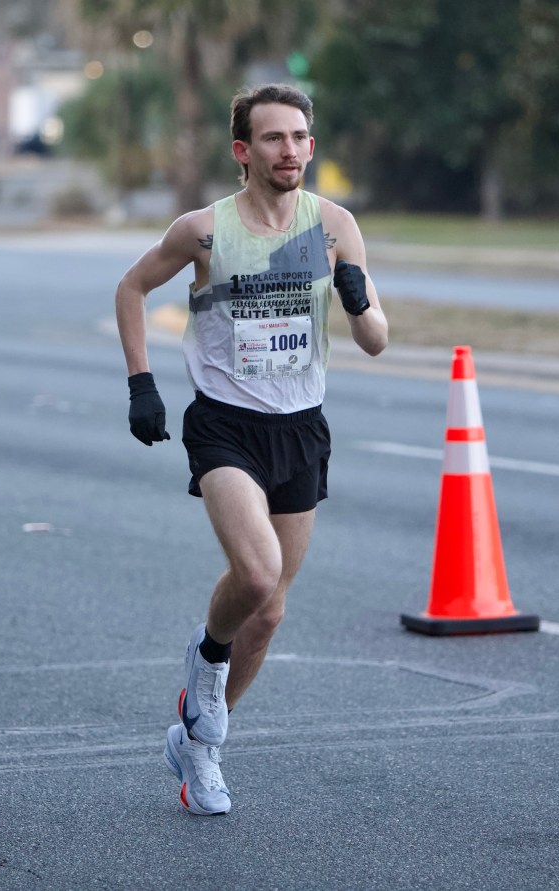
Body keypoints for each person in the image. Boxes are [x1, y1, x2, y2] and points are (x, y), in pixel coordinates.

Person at [115, 83, 388, 816]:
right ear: (243, 150)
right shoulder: (204, 230)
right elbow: (132, 288)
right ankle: (207, 654)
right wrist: (142, 384)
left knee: (268, 615)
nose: (290, 150)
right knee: (258, 573)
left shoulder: (334, 226)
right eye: (273, 138)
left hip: (301, 427)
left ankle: (200, 743)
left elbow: (375, 339)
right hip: (225, 425)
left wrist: (358, 298)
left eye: (299, 137)